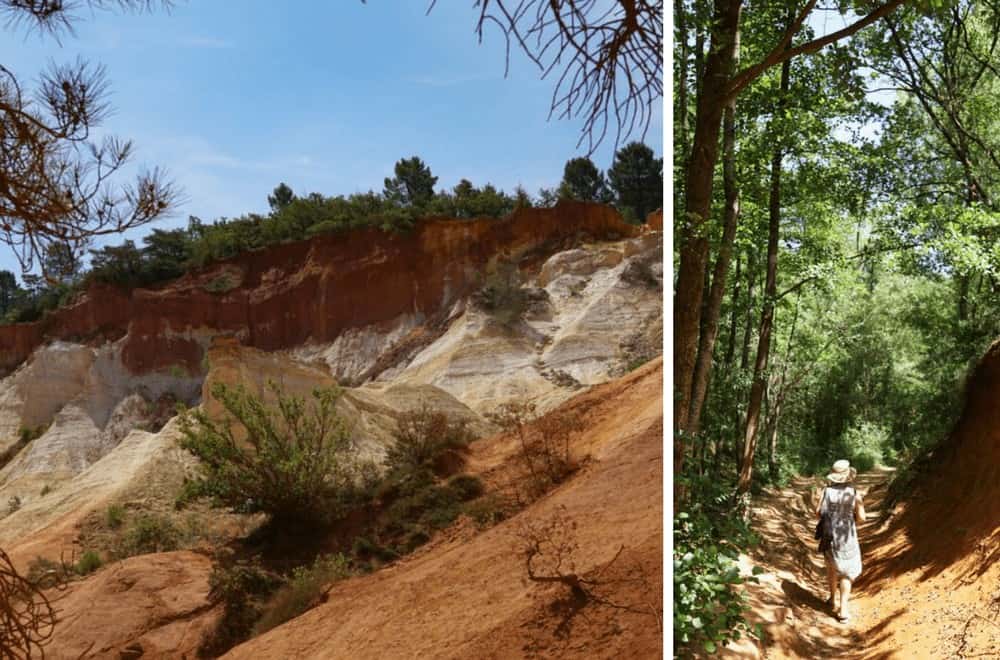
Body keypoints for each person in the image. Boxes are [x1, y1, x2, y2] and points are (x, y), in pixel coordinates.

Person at [814, 459, 866, 623]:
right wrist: (851, 521)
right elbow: (862, 518)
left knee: (831, 566)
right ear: (848, 475)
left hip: (829, 535)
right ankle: (843, 609)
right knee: (847, 571)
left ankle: (832, 599)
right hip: (847, 536)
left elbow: (818, 513)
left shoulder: (826, 491)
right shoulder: (854, 493)